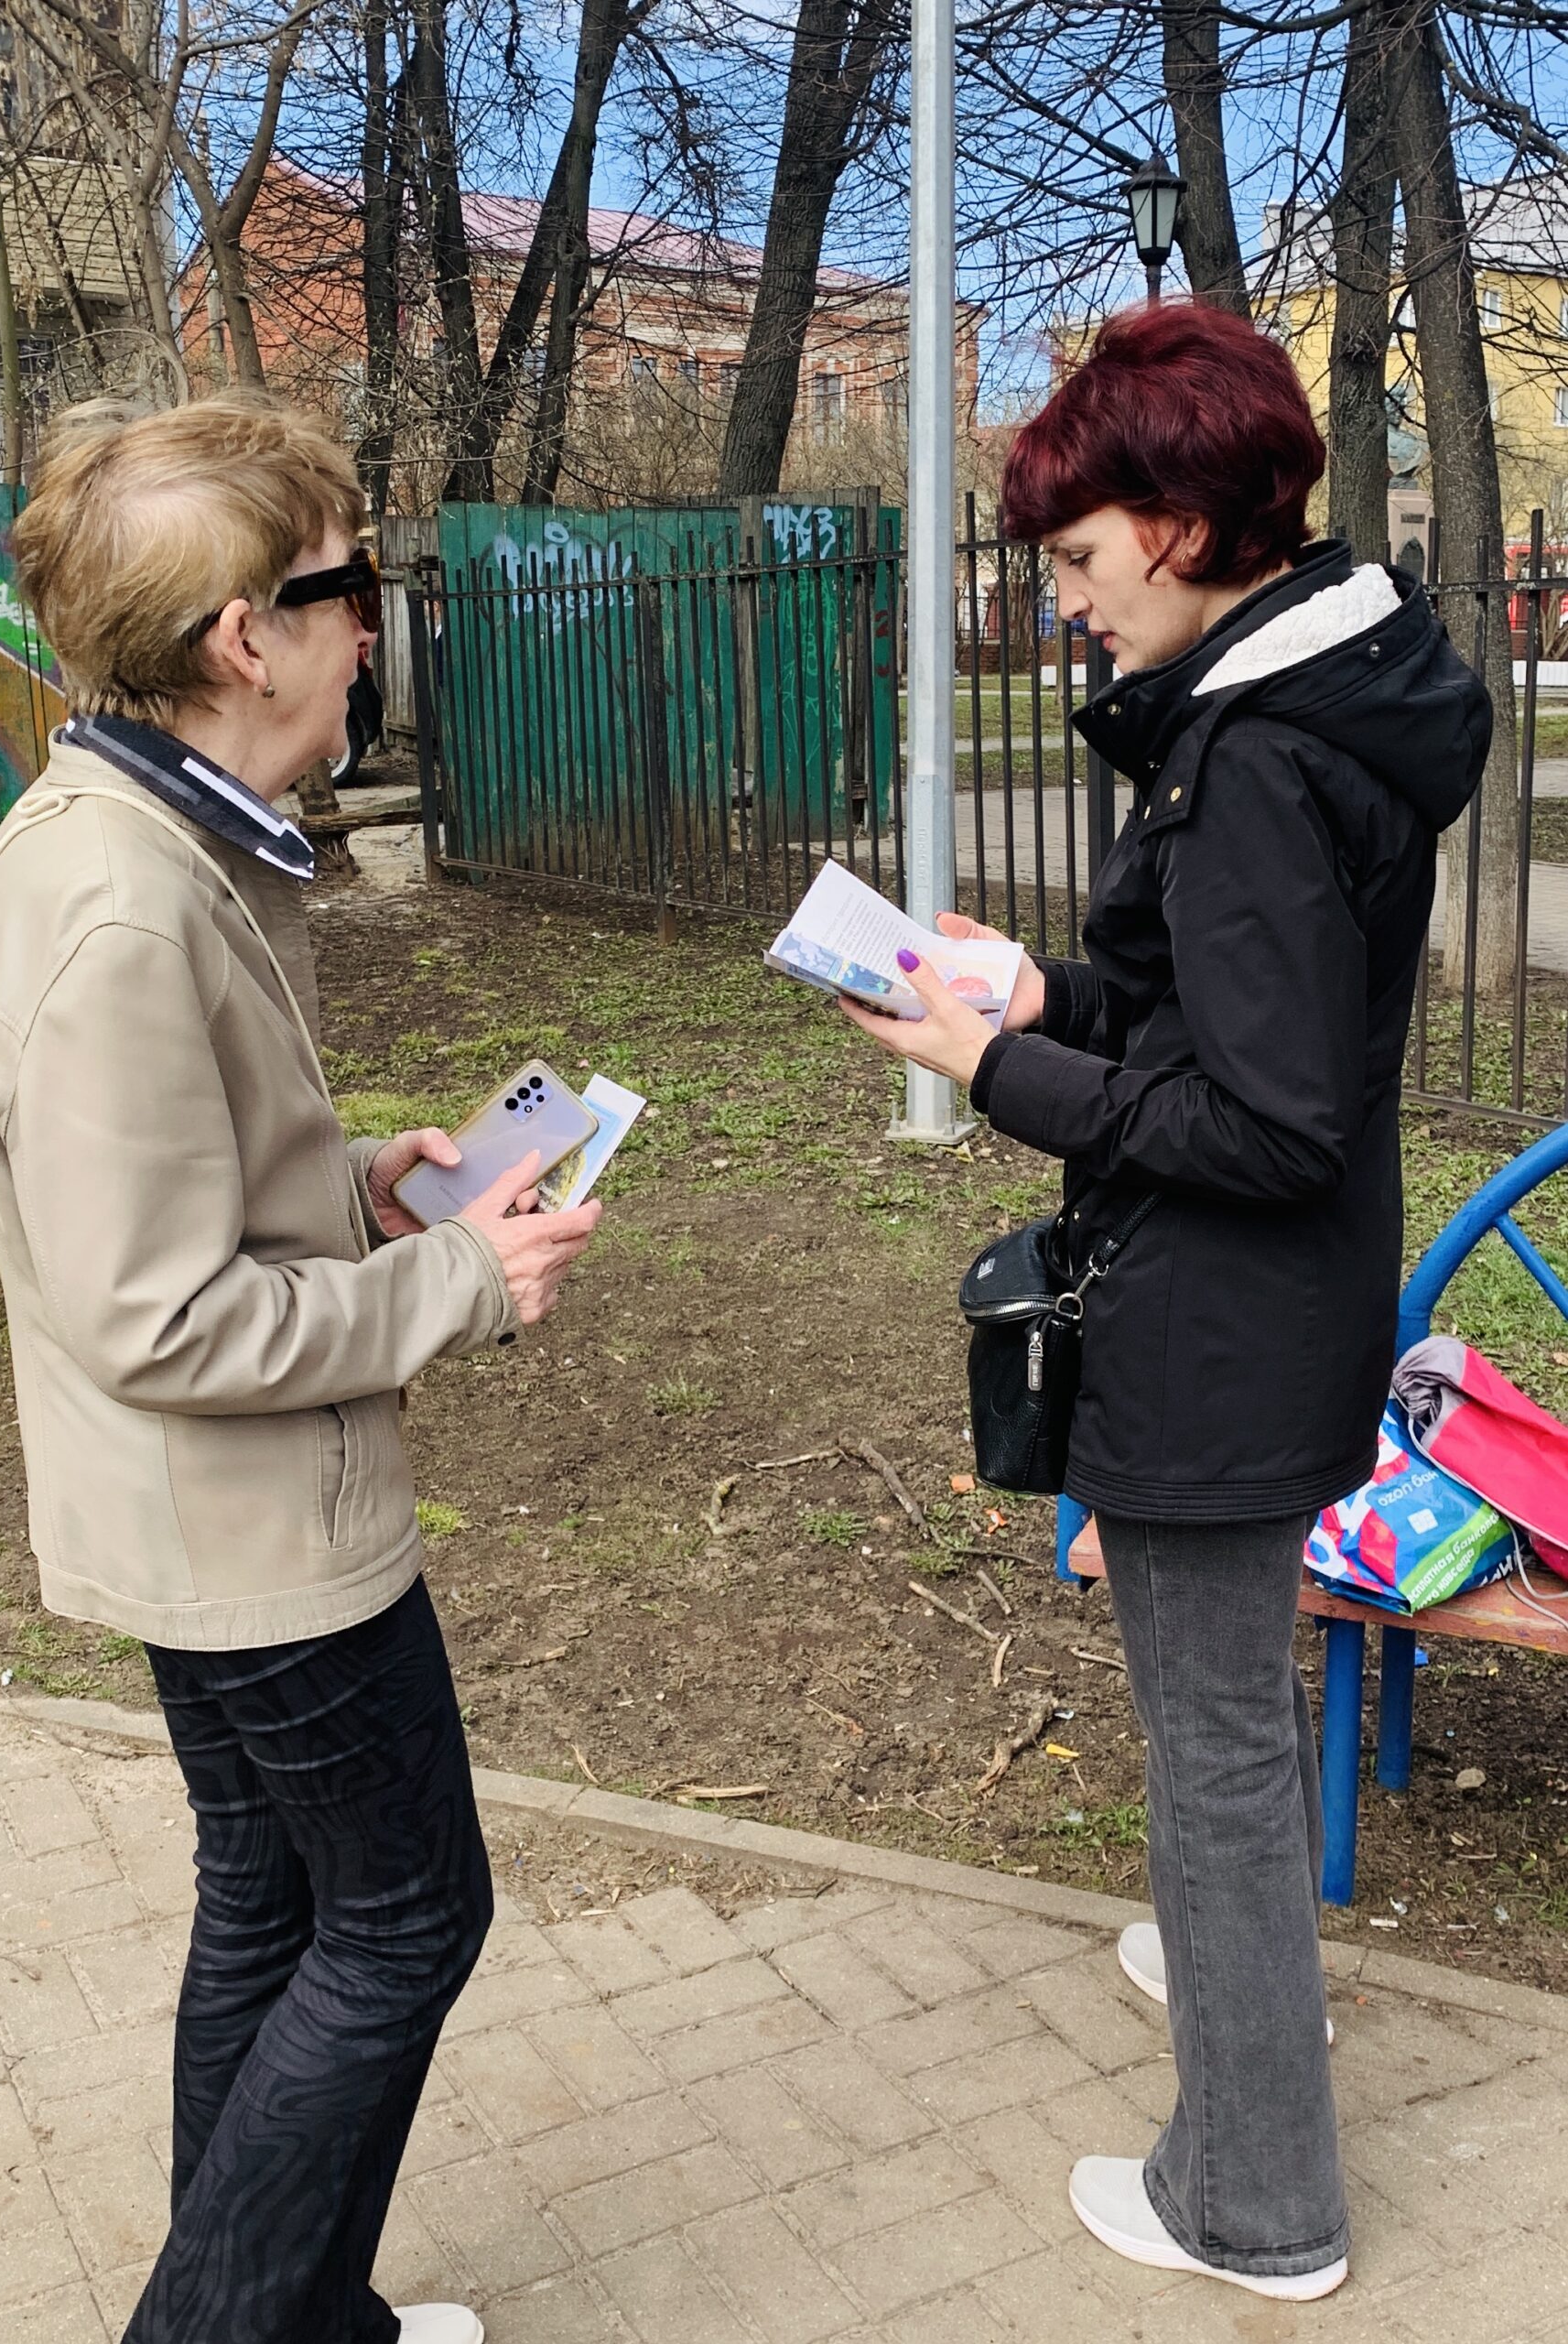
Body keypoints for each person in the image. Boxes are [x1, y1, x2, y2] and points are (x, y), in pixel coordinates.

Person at [845, 302, 1489, 2300]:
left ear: (1184, 525)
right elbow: (1223, 1012)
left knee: (1209, 1746)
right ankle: (1241, 1980)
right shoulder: (1300, 705)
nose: (1061, 598)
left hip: (1219, 1325)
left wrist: (996, 1072)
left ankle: (1254, 2201)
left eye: (1074, 553)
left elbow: (1268, 1121)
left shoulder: (1257, 758)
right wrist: (1042, 992)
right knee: (1229, 1721)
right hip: (1263, 1316)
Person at [0, 392, 601, 2344]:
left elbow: (163, 1190)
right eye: (352, 583)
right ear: (248, 637)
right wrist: (460, 1281)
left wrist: (360, 1180)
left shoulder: (157, 835)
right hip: (252, 1535)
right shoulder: (123, 901)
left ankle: (298, 2315)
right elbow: (155, 1312)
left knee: (276, 1895)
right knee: (404, 1917)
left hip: (209, 1520)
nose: (371, 623)